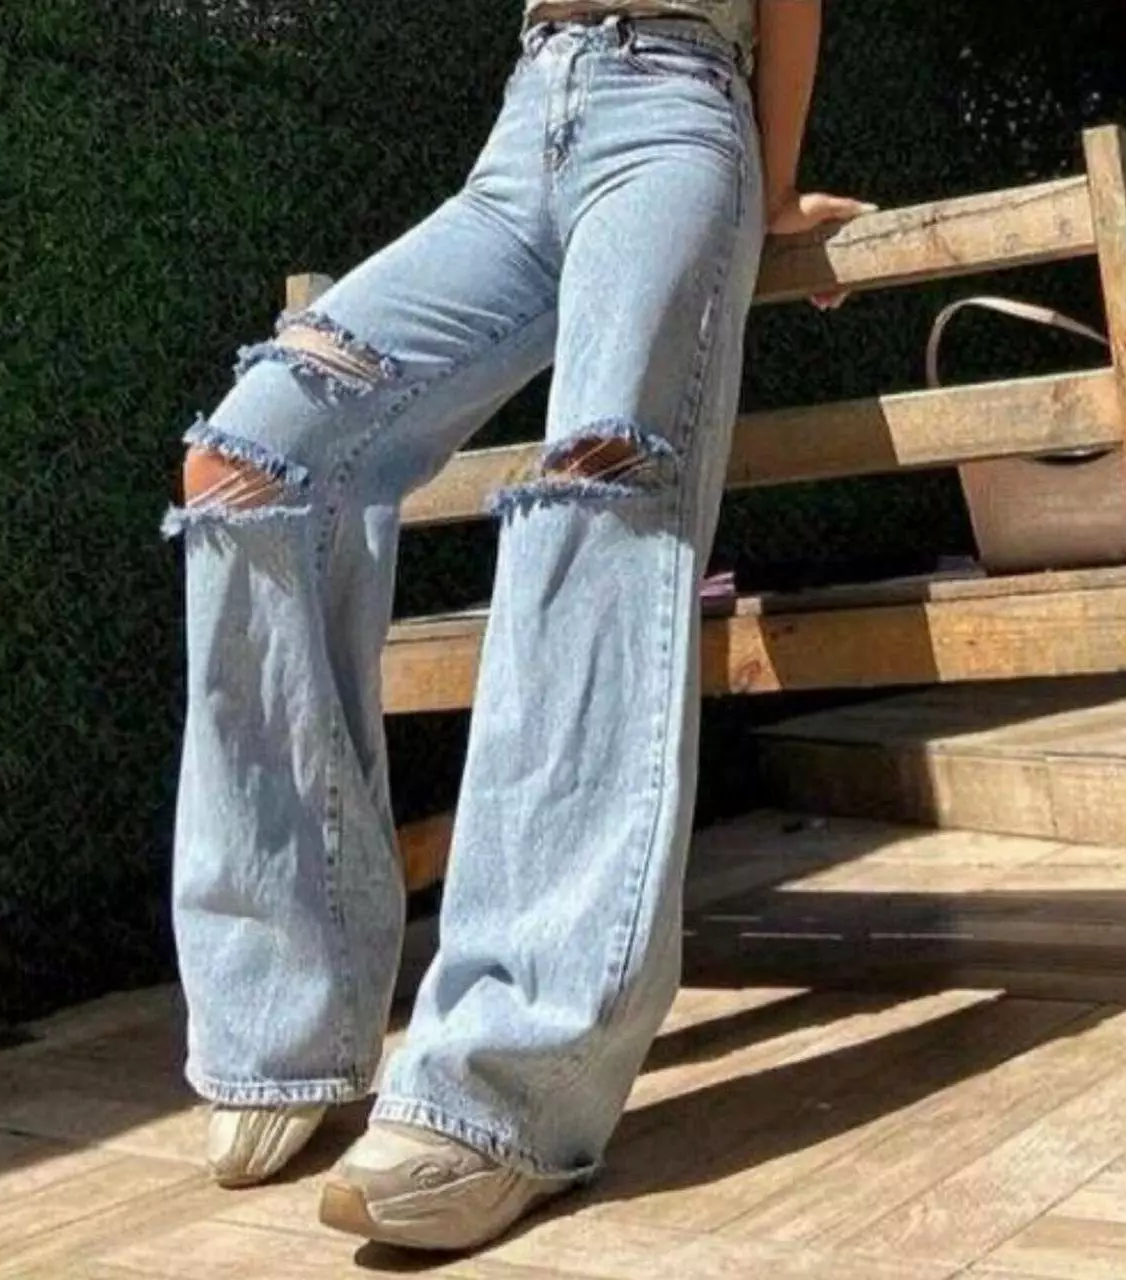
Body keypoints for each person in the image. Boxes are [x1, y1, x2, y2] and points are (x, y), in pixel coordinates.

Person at [164, 0, 869, 1252]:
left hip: (676, 109)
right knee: (250, 462)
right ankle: (285, 1014)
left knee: (599, 479)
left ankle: (507, 1078)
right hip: (521, 133)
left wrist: (770, 193)